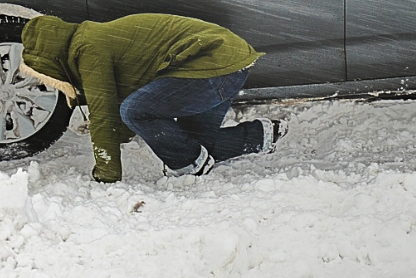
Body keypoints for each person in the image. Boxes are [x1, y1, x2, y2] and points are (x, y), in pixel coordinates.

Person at [18, 12, 286, 182]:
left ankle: (191, 166)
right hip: (228, 61)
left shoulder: (88, 49)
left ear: (52, 58)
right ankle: (261, 135)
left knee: (136, 112)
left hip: (211, 66)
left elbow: (104, 113)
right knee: (187, 145)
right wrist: (121, 136)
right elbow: (116, 102)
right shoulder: (91, 38)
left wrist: (107, 175)